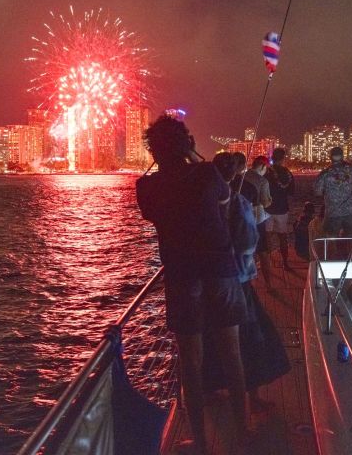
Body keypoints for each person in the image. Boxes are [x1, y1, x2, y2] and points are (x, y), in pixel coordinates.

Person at [135, 116, 249, 452]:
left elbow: (156, 215)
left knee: (190, 363)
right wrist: (196, 155)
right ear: (188, 143)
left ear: (153, 149)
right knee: (232, 354)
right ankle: (242, 435)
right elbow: (224, 201)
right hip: (220, 268)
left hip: (181, 276)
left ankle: (200, 442)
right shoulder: (206, 173)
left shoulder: (147, 187)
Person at [206, 152, 290, 409]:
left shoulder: (204, 202)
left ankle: (210, 388)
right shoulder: (238, 202)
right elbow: (248, 241)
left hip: (212, 279)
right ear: (234, 173)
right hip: (239, 280)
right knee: (250, 337)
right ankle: (251, 398)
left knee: (212, 337)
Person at [233, 155, 273, 287]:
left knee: (244, 251)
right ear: (262, 166)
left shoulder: (242, 177)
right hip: (256, 219)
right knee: (262, 250)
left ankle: (247, 280)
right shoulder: (262, 181)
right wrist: (270, 200)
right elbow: (265, 202)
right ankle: (269, 284)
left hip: (238, 219)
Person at [314, 147, 352, 240]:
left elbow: (317, 192)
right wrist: (346, 163)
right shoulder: (351, 170)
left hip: (333, 212)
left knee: (331, 239)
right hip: (350, 211)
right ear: (342, 156)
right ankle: (351, 254)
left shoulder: (325, 174)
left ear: (330, 157)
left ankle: (331, 254)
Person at [264, 148, 294, 269]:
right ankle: (285, 263)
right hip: (282, 209)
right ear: (283, 158)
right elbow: (291, 192)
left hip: (267, 209)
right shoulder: (288, 173)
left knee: (267, 236)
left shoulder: (266, 172)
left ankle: (268, 262)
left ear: (272, 158)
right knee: (283, 237)